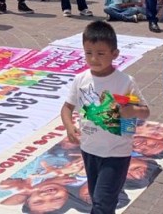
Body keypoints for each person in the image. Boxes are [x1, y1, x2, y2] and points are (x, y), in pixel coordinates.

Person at [60, 20, 149, 214]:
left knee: (102, 202)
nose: (93, 59)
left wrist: (132, 111)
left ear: (115, 54)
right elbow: (67, 108)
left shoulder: (125, 82)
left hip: (117, 152)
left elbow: (145, 111)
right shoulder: (81, 80)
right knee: (98, 199)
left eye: (100, 54)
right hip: (89, 150)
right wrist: (69, 127)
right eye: (88, 53)